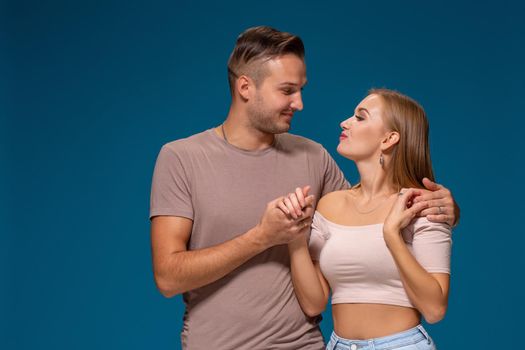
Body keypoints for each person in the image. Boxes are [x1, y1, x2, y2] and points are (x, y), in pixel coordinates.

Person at [149, 26, 458, 349]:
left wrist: (443, 206)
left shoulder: (314, 157)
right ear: (245, 87)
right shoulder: (181, 158)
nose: (299, 103)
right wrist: (262, 237)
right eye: (287, 90)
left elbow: (369, 208)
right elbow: (168, 278)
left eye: (301, 90)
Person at [279, 89, 453, 350]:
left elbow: (434, 309)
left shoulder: (422, 206)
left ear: (389, 138)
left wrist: (392, 235)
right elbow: (314, 303)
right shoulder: (330, 204)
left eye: (360, 117)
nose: (345, 122)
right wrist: (295, 239)